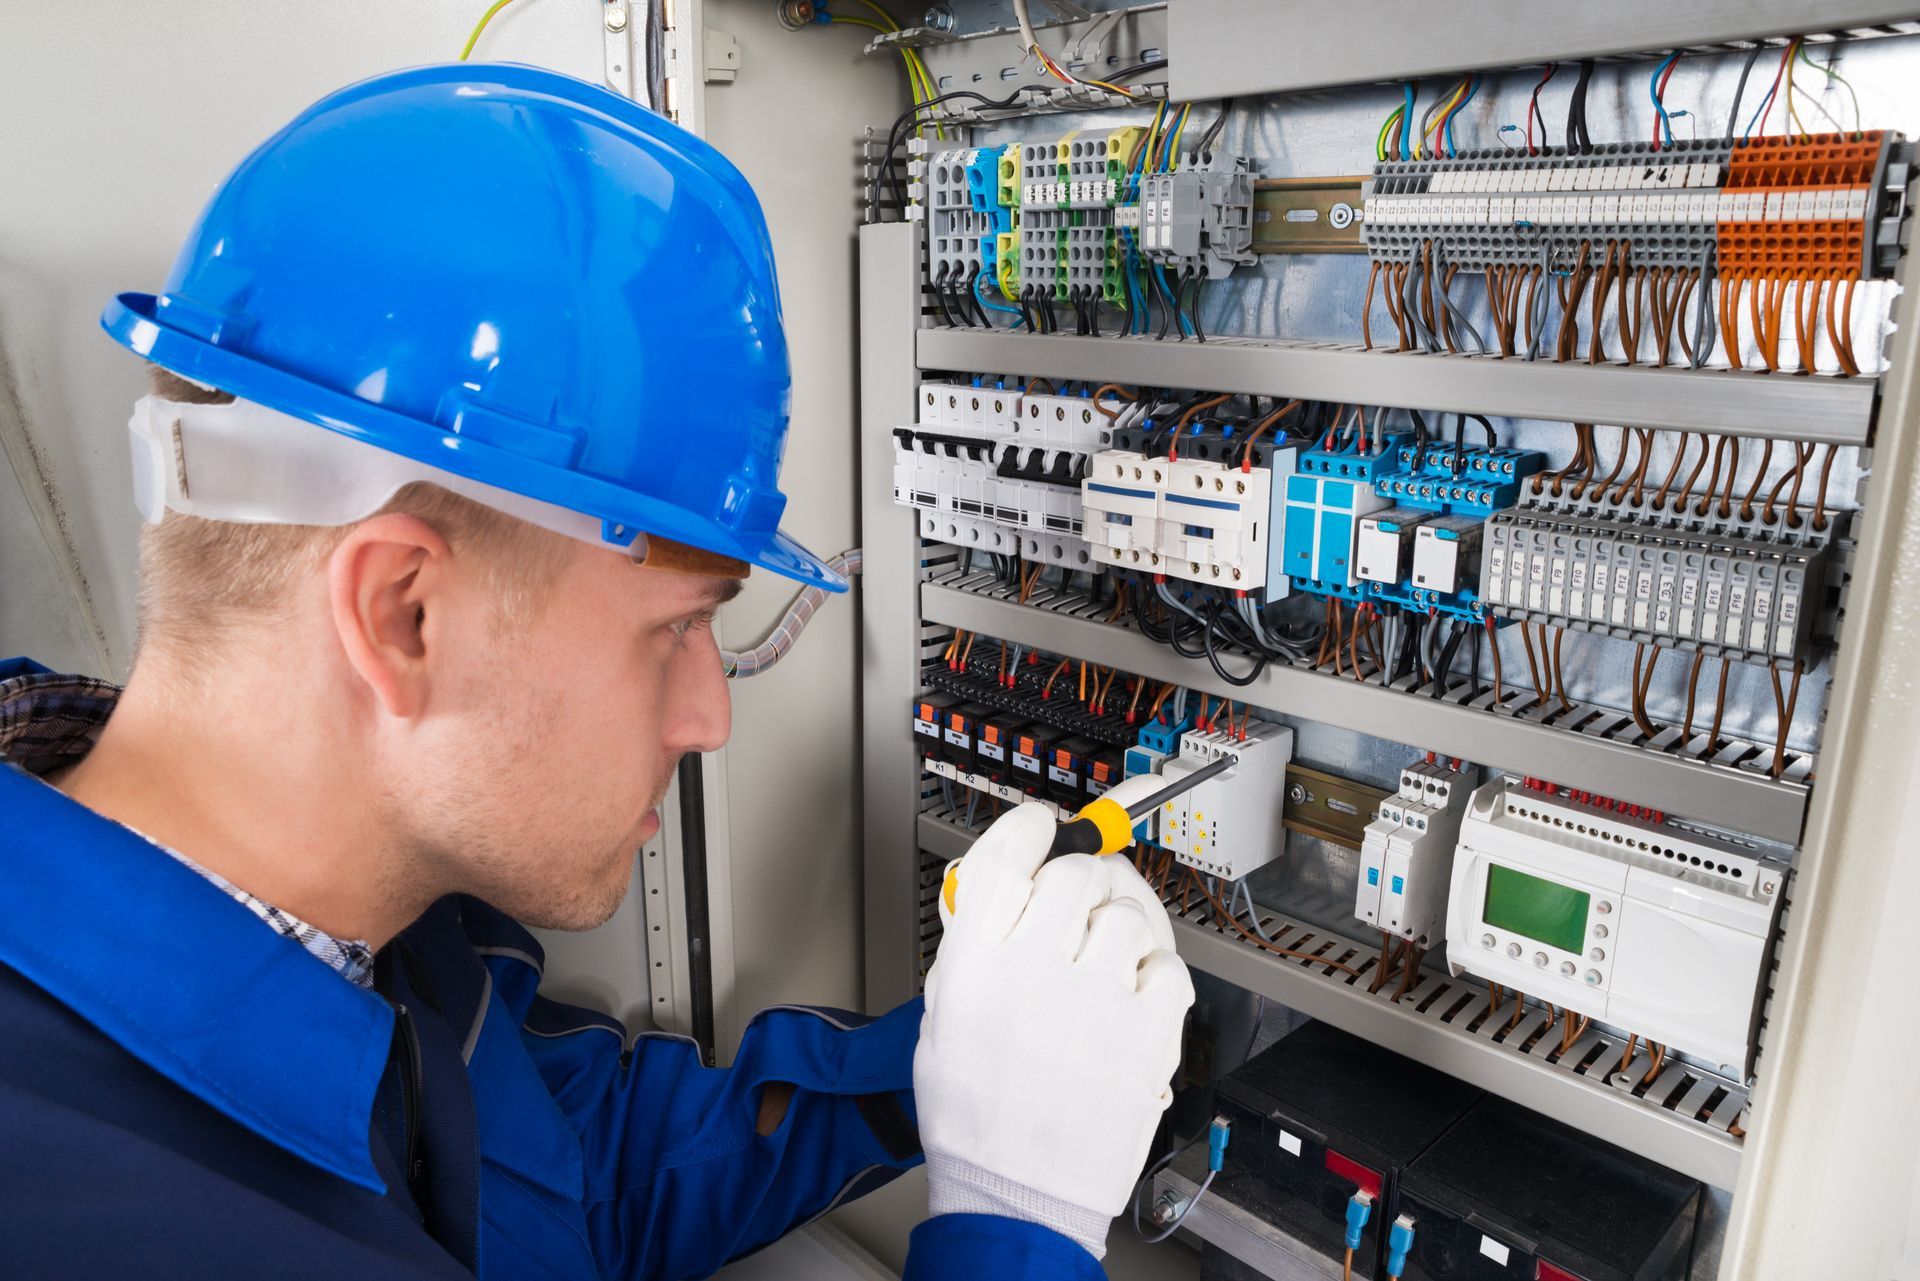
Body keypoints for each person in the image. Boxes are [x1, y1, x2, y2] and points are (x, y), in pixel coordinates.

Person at [0, 64, 1192, 1280]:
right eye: (677, 626)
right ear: (404, 614)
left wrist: (970, 1073)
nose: (712, 715)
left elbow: (562, 1179)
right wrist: (1015, 1230)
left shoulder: (374, 941)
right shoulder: (94, 1216)